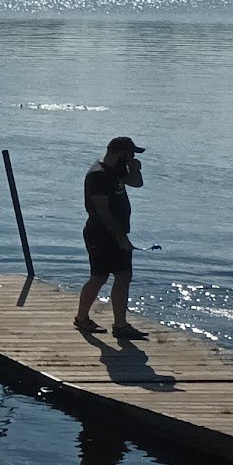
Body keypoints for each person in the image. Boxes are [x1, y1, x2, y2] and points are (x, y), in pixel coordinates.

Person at [76, 135, 148, 339]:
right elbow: (103, 212)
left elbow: (137, 183)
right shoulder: (98, 175)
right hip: (100, 234)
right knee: (99, 277)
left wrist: (135, 168)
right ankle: (82, 318)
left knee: (124, 276)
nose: (132, 156)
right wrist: (120, 238)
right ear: (119, 153)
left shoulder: (115, 170)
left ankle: (120, 325)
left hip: (117, 233)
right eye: (130, 153)